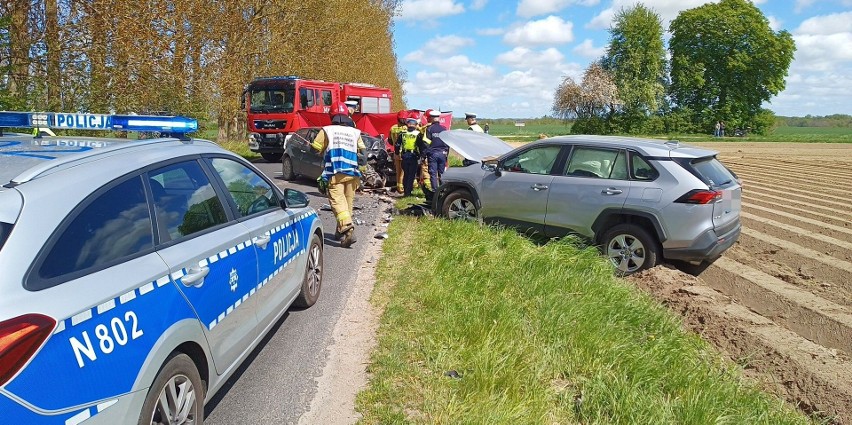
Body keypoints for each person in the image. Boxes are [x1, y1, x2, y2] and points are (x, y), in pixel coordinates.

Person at [311, 104, 366, 247]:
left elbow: (315, 149)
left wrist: (320, 149)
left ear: (332, 115)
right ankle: (339, 231)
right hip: (353, 174)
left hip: (335, 172)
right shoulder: (355, 132)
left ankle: (347, 229)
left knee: (337, 202)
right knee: (347, 204)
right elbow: (363, 154)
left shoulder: (327, 130)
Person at [418, 109, 448, 200]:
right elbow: (448, 143)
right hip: (443, 154)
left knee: (433, 174)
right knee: (442, 173)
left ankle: (435, 192)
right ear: (438, 118)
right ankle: (443, 192)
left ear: (431, 118)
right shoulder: (444, 129)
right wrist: (446, 154)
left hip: (433, 154)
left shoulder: (429, 129)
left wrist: (423, 156)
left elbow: (426, 144)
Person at [395, 116, 421, 196]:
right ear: (415, 125)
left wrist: (397, 153)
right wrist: (422, 155)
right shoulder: (418, 134)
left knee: (406, 174)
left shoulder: (402, 134)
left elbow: (397, 145)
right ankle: (408, 192)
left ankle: (406, 191)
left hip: (405, 156)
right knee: (411, 174)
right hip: (413, 156)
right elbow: (421, 145)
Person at [388, 110, 408, 194]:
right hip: (405, 153)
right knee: (405, 171)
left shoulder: (393, 128)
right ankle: (403, 187)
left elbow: (390, 141)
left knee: (398, 171)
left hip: (396, 153)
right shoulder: (407, 129)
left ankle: (398, 186)